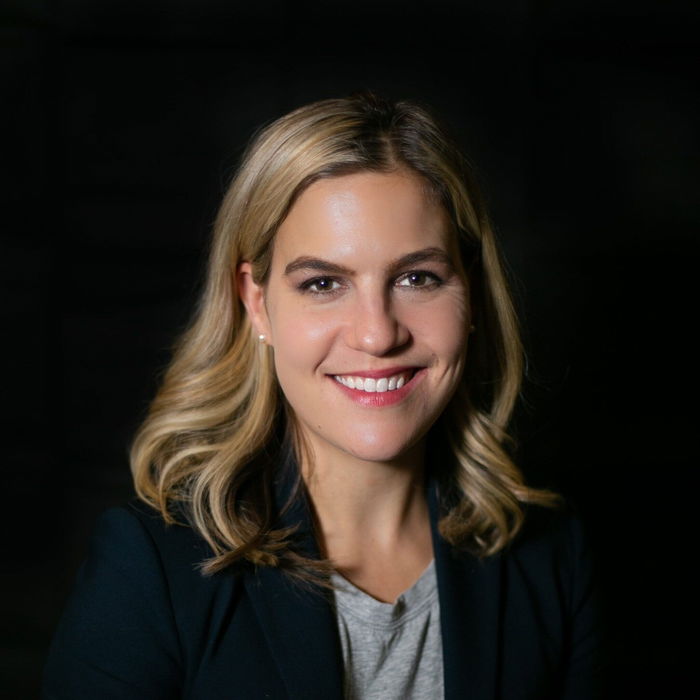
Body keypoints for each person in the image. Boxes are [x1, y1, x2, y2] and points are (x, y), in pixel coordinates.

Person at [43, 93, 604, 699]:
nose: (378, 333)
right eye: (323, 283)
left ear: (469, 292)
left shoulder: (551, 556)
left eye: (418, 278)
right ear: (256, 303)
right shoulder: (152, 567)